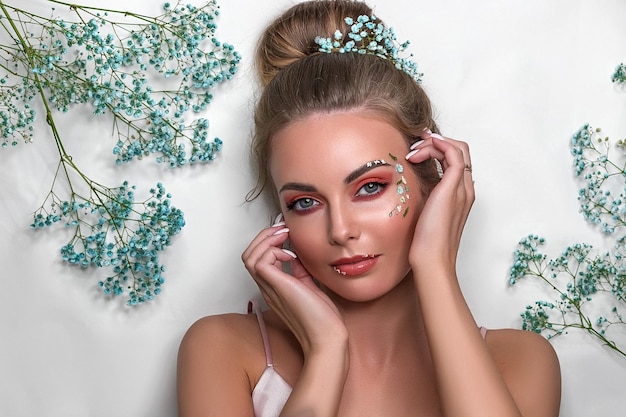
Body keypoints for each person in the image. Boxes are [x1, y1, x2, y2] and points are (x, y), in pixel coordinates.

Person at [176, 1, 562, 416]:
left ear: (433, 183)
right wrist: (326, 353)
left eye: (370, 187)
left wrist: (435, 266)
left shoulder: (520, 360)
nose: (340, 230)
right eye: (305, 202)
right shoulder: (224, 349)